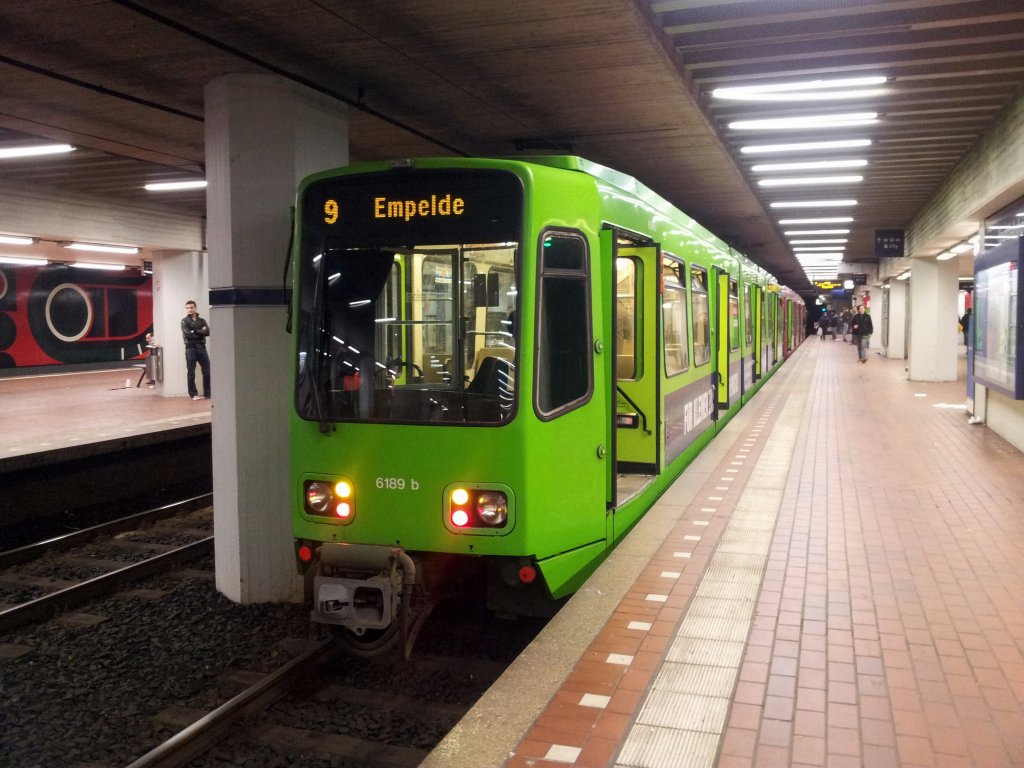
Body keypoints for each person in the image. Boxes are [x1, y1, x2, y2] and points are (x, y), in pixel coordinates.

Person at [181, 300, 211, 399]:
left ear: (195, 308)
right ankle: (193, 394)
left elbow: (207, 332)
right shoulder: (184, 321)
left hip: (202, 348)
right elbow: (187, 334)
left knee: (207, 371)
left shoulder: (201, 320)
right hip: (190, 348)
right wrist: (200, 332)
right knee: (191, 372)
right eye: (187, 308)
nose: (189, 309)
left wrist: (194, 331)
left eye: (191, 307)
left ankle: (207, 393)